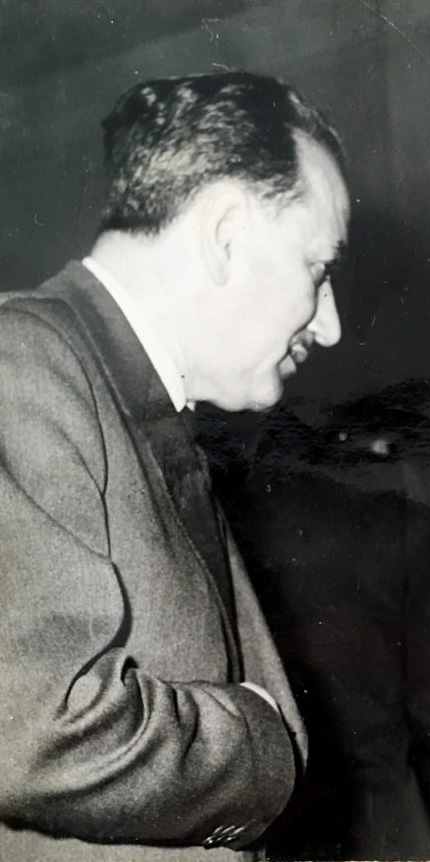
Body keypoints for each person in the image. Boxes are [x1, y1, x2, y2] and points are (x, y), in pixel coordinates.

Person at [0, 72, 348, 862]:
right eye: (318, 268)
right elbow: (38, 730)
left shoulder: (128, 398)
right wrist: (262, 742)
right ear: (226, 234)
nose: (329, 326)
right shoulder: (22, 366)